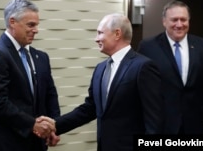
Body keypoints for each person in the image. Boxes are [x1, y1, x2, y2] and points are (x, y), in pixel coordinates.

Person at [40, 13, 164, 151]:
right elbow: (89, 109)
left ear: (117, 34)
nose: (96, 39)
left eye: (100, 33)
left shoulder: (143, 67)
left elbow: (154, 121)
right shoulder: (100, 69)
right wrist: (55, 125)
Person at [137, 0, 203, 134]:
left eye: (183, 20)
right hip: (159, 126)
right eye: (174, 20)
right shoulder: (148, 47)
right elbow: (139, 89)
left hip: (195, 125)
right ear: (164, 21)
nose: (179, 24)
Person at [0, 0, 60, 151]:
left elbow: (50, 95)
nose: (36, 30)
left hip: (37, 143)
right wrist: (32, 124)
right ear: (12, 22)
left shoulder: (41, 57)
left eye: (37, 25)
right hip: (8, 143)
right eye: (31, 25)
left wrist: (54, 126)